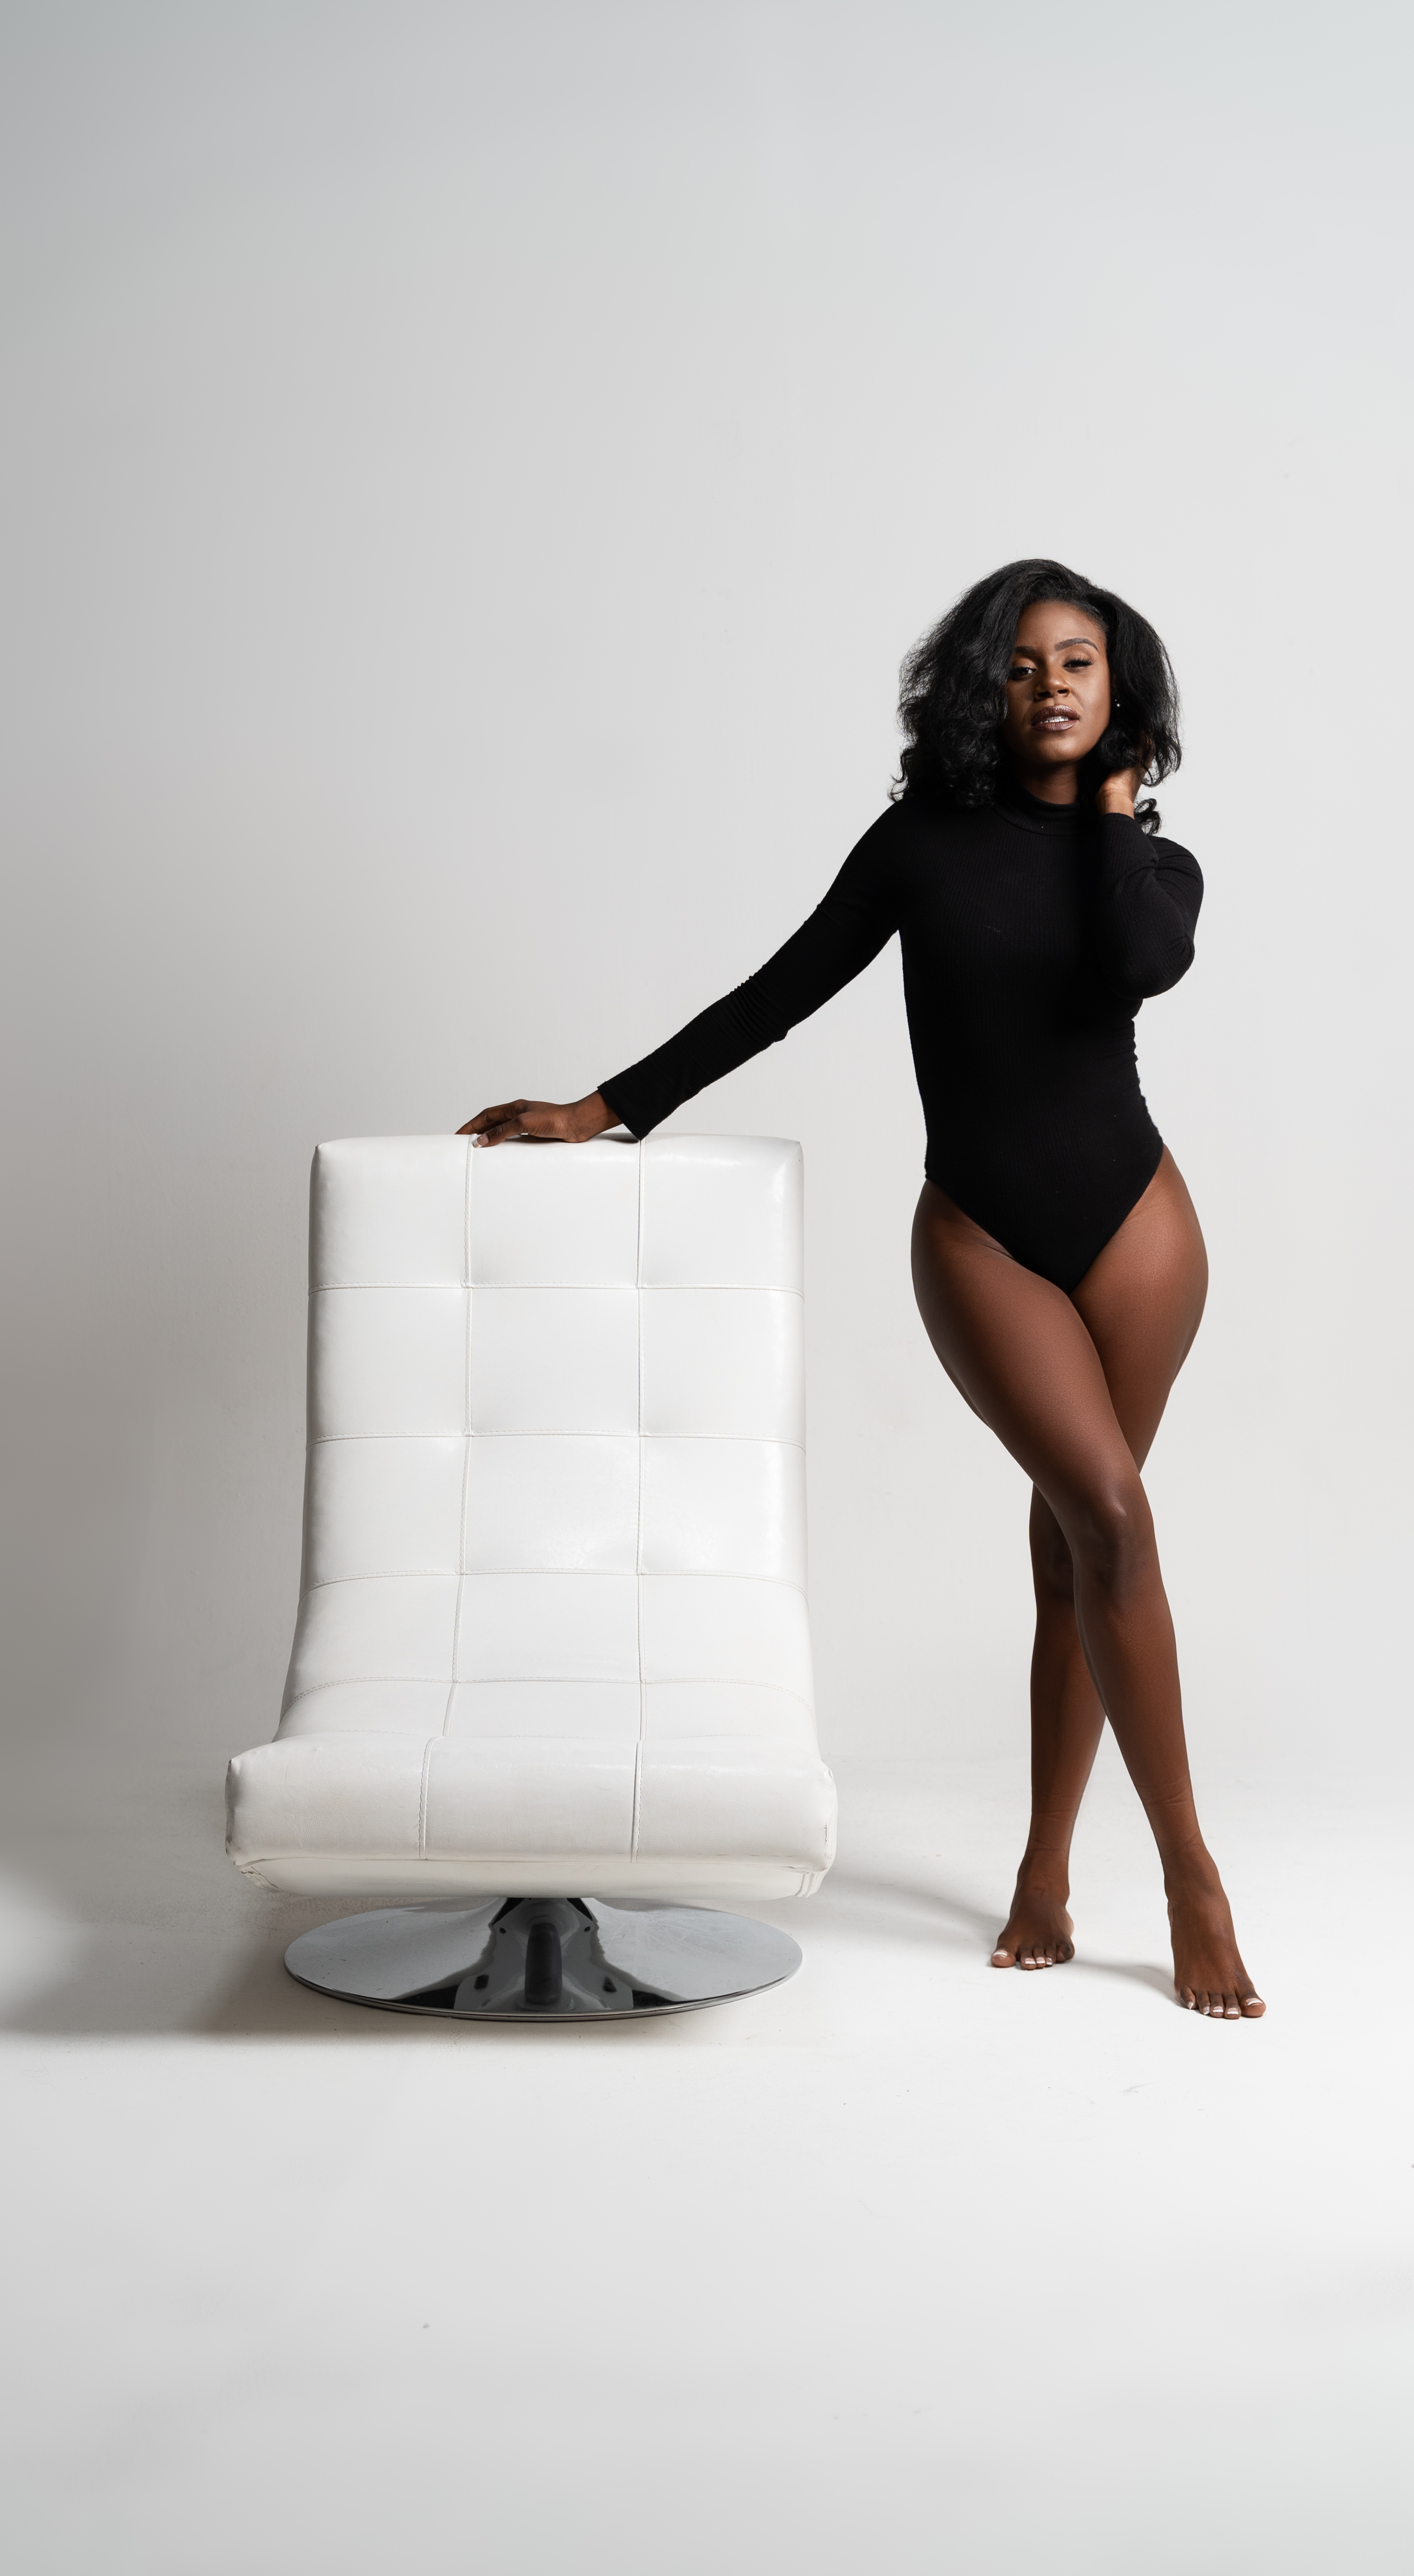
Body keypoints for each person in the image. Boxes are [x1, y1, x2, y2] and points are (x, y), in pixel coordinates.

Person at [459, 557, 1264, 2019]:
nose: (1050, 684)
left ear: (1120, 687)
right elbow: (777, 996)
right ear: (981, 688)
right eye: (1020, 664)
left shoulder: (1155, 866)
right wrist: (603, 1110)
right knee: (1110, 1518)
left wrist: (1111, 813)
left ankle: (1048, 1869)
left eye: (1078, 662)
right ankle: (1193, 1877)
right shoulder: (920, 846)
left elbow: (1146, 965)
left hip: (1141, 1231)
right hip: (983, 1239)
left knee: (1079, 1547)